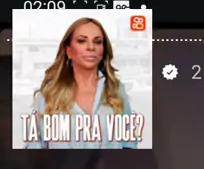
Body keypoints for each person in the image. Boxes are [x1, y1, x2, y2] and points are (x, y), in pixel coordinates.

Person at [24, 17, 137, 150]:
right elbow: (34, 149)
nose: (91, 47)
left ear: (103, 50)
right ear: (69, 51)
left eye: (97, 42)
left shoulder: (116, 91)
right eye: (82, 41)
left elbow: (129, 145)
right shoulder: (49, 95)